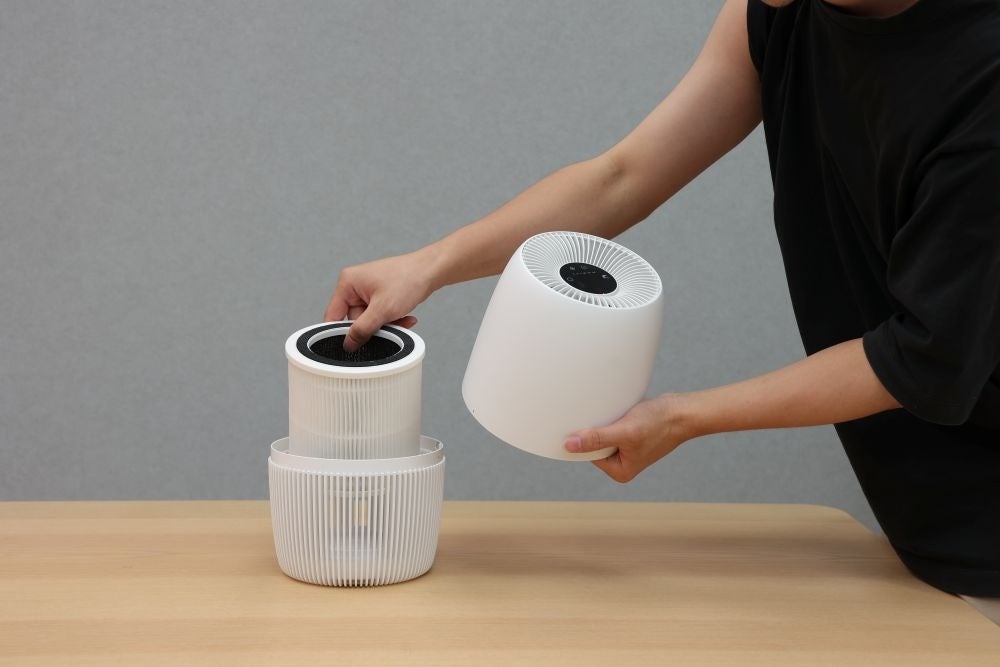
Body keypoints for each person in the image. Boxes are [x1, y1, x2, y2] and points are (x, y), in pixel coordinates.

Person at [324, 0, 1000, 614]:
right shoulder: (782, 13)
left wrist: (681, 418)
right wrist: (429, 266)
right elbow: (624, 176)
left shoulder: (982, 78)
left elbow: (924, 355)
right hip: (925, 532)